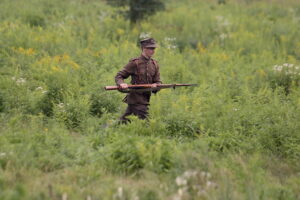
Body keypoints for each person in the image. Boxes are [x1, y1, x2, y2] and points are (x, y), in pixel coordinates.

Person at [115, 38, 162, 123]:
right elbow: (119, 75)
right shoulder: (135, 63)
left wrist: (156, 86)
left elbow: (158, 81)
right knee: (147, 123)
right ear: (144, 48)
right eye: (150, 48)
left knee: (123, 122)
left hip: (145, 98)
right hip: (136, 98)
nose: (153, 51)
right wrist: (121, 84)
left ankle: (108, 130)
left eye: (154, 48)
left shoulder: (154, 64)